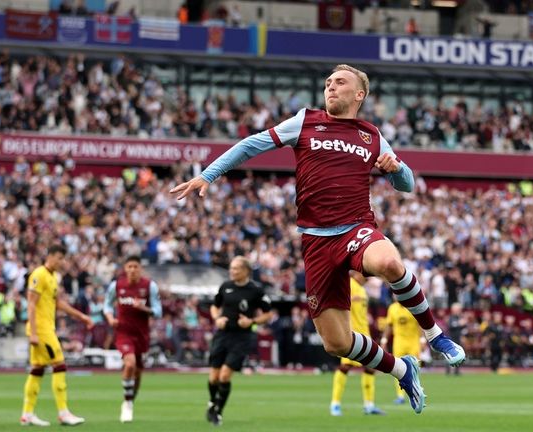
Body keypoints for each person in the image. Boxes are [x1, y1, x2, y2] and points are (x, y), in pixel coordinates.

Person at [171, 63, 465, 414]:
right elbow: (251, 145)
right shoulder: (305, 121)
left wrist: (397, 169)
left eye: (340, 82)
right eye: (328, 82)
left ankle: (436, 336)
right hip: (315, 241)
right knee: (336, 343)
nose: (330, 87)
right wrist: (209, 174)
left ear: (359, 94)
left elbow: (407, 185)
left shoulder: (371, 135)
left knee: (388, 262)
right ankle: (402, 369)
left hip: (356, 227)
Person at [20, 244, 93, 427]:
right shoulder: (39, 275)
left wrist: (81, 316)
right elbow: (31, 304)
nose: (62, 262)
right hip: (41, 330)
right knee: (59, 364)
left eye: (63, 258)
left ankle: (27, 414)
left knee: (37, 369)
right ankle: (63, 413)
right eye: (60, 258)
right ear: (51, 256)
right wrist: (34, 333)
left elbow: (58, 303)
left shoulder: (53, 277)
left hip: (45, 328)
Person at [206, 256, 273, 426]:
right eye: (231, 268)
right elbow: (215, 306)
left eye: (236, 268)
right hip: (222, 334)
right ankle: (212, 402)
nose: (232, 271)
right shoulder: (225, 286)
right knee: (213, 377)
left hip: (242, 337)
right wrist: (217, 318)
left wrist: (252, 321)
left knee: (225, 375)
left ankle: (218, 412)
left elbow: (268, 314)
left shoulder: (256, 290)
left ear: (246, 271)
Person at [104, 256, 162, 423]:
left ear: (140, 268)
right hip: (123, 333)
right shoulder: (116, 285)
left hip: (142, 335)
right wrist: (109, 317)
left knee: (138, 373)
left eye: (135, 266)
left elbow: (158, 311)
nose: (132, 269)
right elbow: (107, 305)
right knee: (129, 364)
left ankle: (130, 398)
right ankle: (127, 403)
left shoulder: (149, 286)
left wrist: (144, 308)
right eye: (129, 266)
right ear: (125, 268)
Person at [330, 271, 385, 416]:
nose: (367, 278)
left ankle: (369, 405)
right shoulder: (348, 284)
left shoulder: (362, 290)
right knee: (345, 367)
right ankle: (335, 404)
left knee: (370, 368)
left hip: (364, 335)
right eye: (365, 274)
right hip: (351, 335)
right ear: (356, 273)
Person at [382, 299, 422, 405]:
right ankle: (400, 396)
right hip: (399, 342)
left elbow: (420, 323)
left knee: (415, 368)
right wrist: (384, 340)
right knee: (397, 368)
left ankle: (416, 392)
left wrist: (422, 340)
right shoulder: (392, 308)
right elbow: (389, 325)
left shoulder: (413, 305)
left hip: (413, 341)